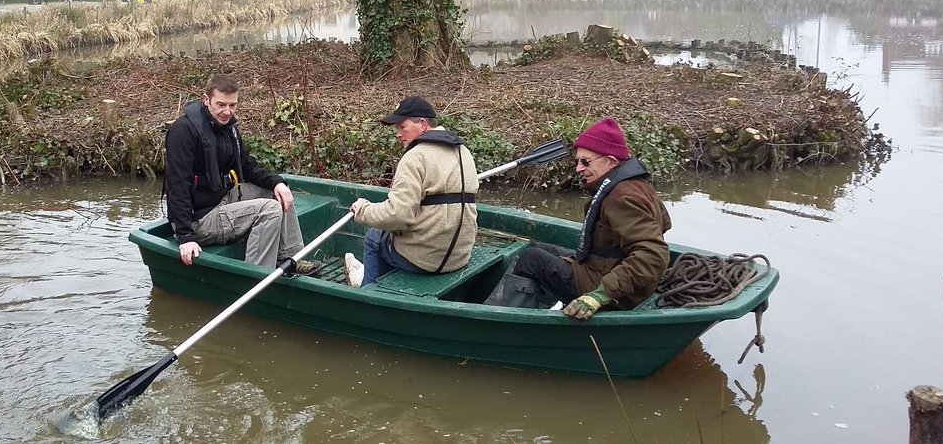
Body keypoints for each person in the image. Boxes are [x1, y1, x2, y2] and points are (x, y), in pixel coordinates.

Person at [506, 117, 672, 320]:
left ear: (611, 161)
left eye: (586, 162)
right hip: (613, 273)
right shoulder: (634, 182)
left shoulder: (622, 197)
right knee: (542, 249)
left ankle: (510, 322)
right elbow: (664, 223)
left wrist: (598, 295)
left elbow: (654, 255)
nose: (578, 168)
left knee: (531, 260)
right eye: (578, 161)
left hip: (618, 293)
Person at [164, 73, 320, 274]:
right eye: (221, 105)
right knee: (270, 210)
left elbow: (248, 166)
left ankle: (291, 257)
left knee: (279, 194)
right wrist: (185, 236)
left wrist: (277, 183)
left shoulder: (228, 128)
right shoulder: (184, 131)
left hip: (221, 199)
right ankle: (256, 276)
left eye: (232, 105)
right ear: (206, 100)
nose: (227, 112)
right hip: (199, 219)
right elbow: (177, 185)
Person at [344, 96, 479, 287]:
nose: (398, 134)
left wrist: (363, 210)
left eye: (403, 127)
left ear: (423, 124)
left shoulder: (415, 157)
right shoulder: (463, 151)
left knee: (374, 236)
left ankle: (369, 290)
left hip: (425, 261)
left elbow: (397, 217)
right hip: (459, 256)